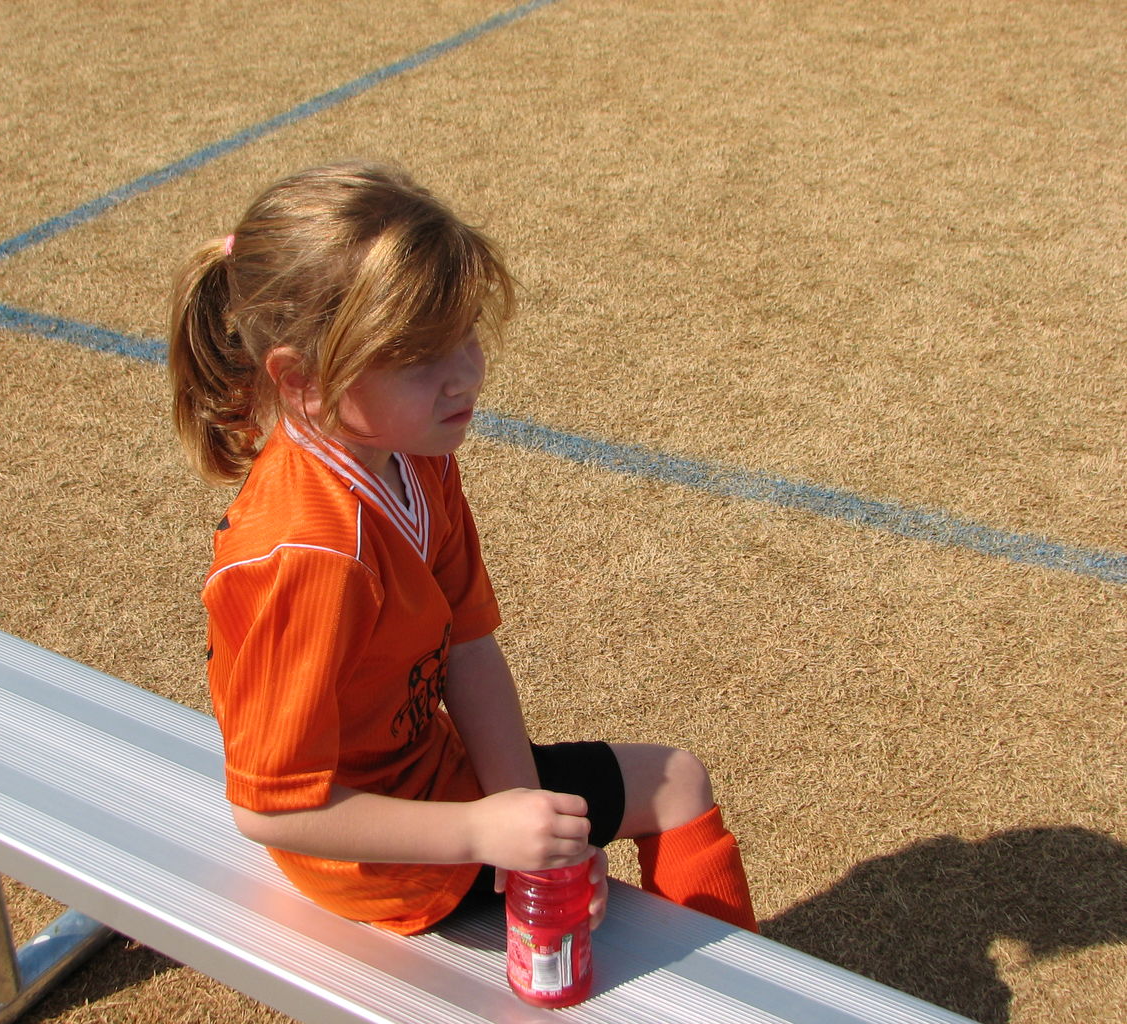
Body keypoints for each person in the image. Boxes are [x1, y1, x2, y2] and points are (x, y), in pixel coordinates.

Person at [168, 160, 757, 937]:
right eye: (418, 358)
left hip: (439, 790)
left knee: (669, 783)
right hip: (382, 858)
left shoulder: (414, 454)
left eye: (464, 334)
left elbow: (468, 647)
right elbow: (273, 806)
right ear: (303, 381)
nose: (465, 375)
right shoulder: (308, 552)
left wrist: (525, 827)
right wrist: (485, 834)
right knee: (672, 782)